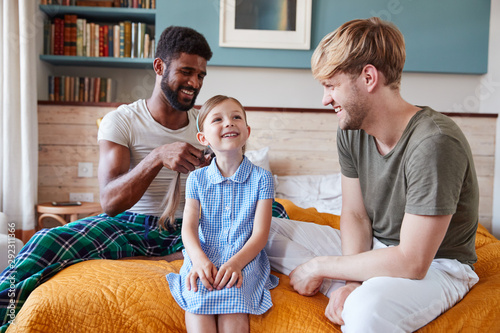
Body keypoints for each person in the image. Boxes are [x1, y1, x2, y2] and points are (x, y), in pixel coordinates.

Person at [265, 17, 479, 332]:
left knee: (365, 311)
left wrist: (321, 266)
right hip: (375, 249)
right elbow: (355, 213)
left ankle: (349, 294)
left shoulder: (435, 141)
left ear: (368, 77)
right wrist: (350, 279)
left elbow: (412, 261)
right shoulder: (351, 130)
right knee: (261, 230)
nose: (325, 99)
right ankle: (343, 290)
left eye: (331, 86)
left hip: (437, 265)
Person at [166, 95, 278, 333]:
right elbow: (188, 228)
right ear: (203, 138)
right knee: (197, 295)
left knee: (234, 297)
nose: (229, 123)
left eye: (236, 117)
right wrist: (199, 260)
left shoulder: (262, 178)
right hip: (204, 254)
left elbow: (260, 234)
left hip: (244, 256)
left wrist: (236, 263)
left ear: (247, 131)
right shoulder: (196, 178)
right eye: (218, 119)